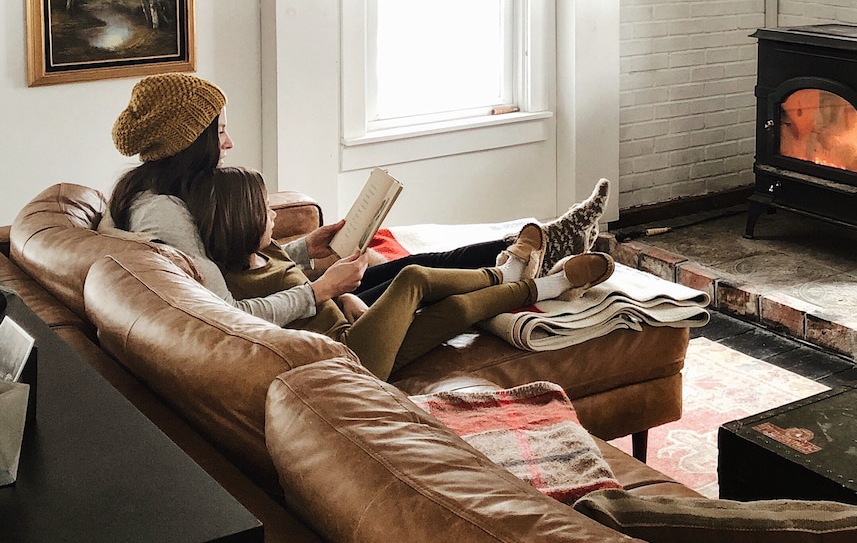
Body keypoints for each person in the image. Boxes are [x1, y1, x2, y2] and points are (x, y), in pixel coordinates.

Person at [105, 72, 612, 331]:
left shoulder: (158, 193)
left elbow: (229, 262)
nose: (229, 143)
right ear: (189, 141)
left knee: (411, 263)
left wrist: (307, 249)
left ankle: (544, 240)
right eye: (219, 132)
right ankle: (538, 262)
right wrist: (320, 289)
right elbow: (226, 314)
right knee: (419, 279)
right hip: (310, 316)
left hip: (297, 292)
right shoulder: (163, 215)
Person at [186, 166, 612, 379]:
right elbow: (265, 315)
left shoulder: (269, 250)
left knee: (456, 310)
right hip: (349, 356)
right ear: (243, 220)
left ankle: (554, 282)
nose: (275, 216)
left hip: (355, 327)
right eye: (265, 210)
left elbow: (301, 298)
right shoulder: (233, 285)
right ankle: (510, 270)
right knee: (413, 279)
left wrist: (340, 292)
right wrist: (325, 290)